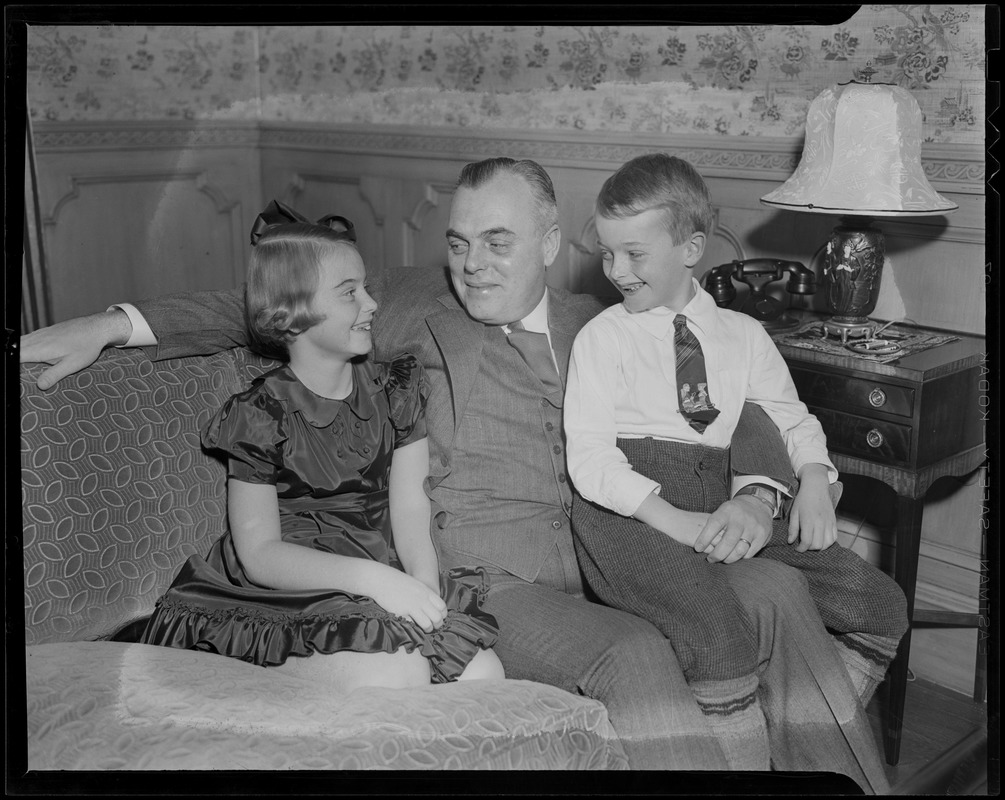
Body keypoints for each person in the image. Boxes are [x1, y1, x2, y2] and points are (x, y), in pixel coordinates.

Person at [20, 157, 892, 790]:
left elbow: (729, 397)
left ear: (553, 242)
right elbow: (263, 309)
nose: (472, 263)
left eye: (499, 242)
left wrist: (760, 485)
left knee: (779, 594)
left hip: (627, 547)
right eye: (459, 242)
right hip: (492, 578)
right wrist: (114, 323)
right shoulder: (412, 307)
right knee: (632, 656)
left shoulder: (610, 313)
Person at [564, 153, 908, 766]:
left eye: (634, 253)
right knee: (715, 633)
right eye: (608, 252)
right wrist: (673, 519)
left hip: (717, 495)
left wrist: (811, 477)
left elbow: (786, 416)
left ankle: (792, 731)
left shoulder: (744, 336)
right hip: (628, 511)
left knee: (878, 600)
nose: (616, 270)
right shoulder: (605, 336)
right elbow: (589, 459)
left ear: (691, 247)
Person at [139, 204, 504, 689]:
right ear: (293, 314)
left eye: (367, 288)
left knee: (484, 674)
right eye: (350, 293)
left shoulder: (395, 389)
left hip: (381, 565)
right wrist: (374, 581)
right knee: (396, 674)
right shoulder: (261, 413)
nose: (372, 304)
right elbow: (260, 553)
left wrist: (421, 583)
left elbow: (411, 508)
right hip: (294, 583)